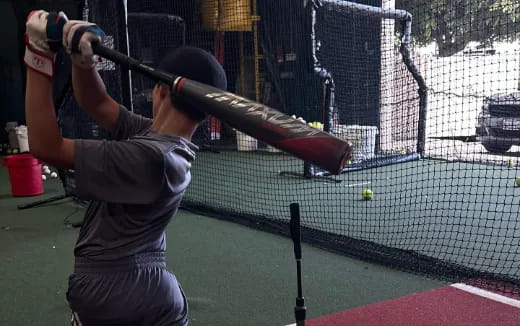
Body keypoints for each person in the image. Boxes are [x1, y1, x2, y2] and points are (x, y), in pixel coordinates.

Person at [24, 10, 227, 325]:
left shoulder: (151, 157)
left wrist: (37, 56)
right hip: (140, 287)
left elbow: (44, 146)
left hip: (116, 291)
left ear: (160, 90)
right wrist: (83, 60)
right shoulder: (158, 139)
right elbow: (98, 103)